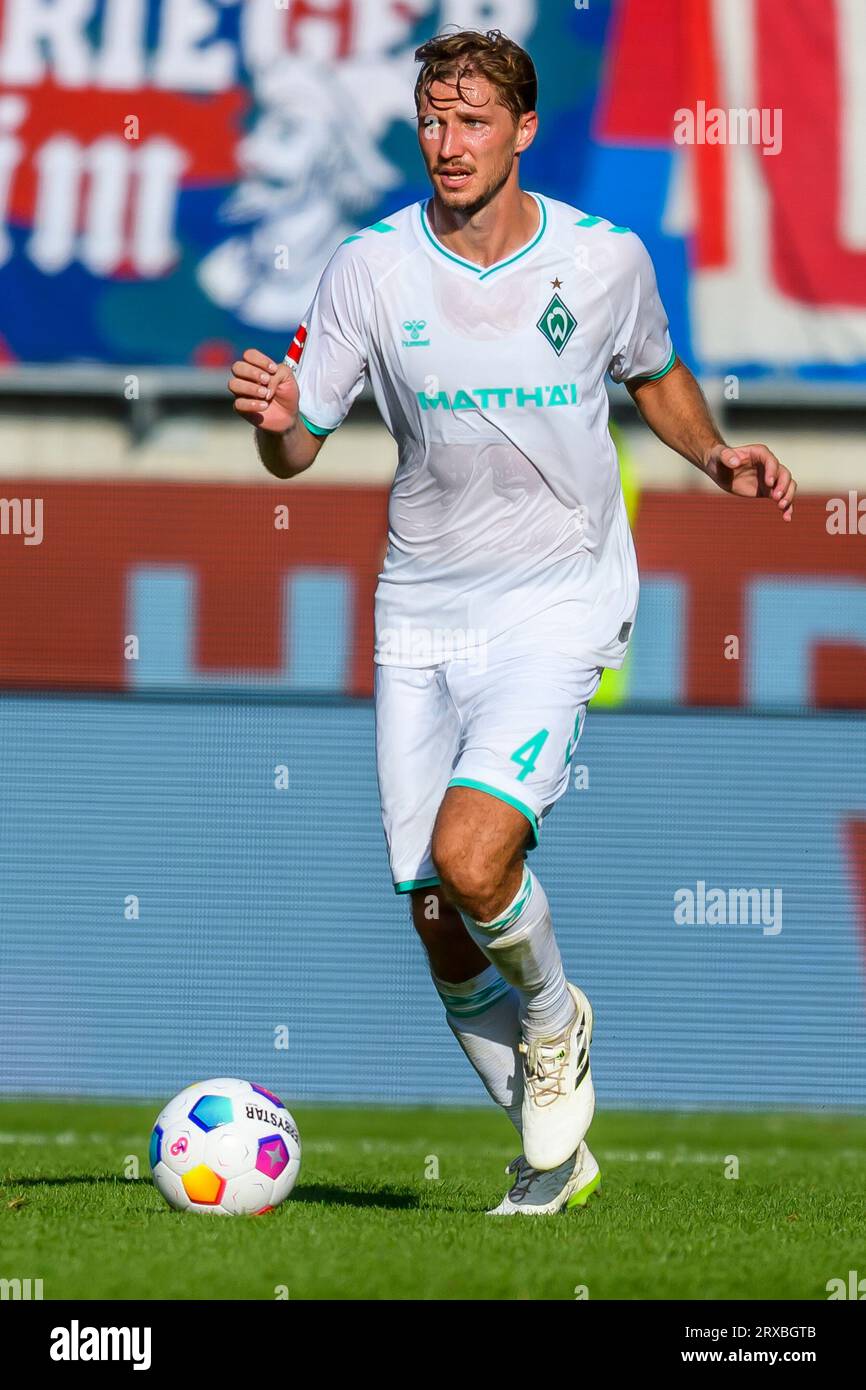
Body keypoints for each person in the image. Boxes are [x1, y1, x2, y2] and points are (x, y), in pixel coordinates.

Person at [228, 28, 796, 1216]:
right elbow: (297, 448)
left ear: (524, 130)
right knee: (436, 915)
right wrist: (275, 419)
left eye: (472, 120)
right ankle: (553, 1155)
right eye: (432, 120)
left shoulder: (599, 260)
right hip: (420, 608)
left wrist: (712, 454)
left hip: (559, 598)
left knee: (472, 853)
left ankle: (554, 1018)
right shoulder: (368, 269)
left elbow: (654, 370)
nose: (447, 143)